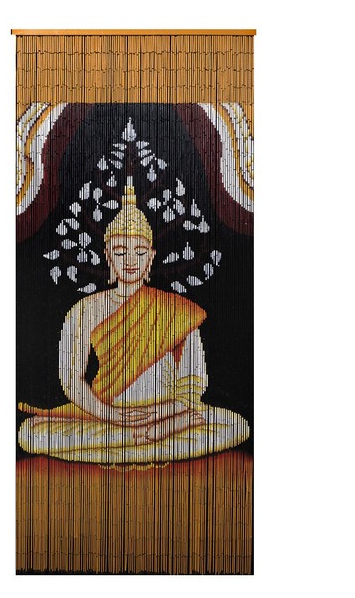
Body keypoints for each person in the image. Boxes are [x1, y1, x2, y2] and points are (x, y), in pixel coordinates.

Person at [18, 182, 249, 463]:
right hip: (105, 415)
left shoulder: (176, 310)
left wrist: (162, 414)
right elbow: (71, 379)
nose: (130, 260)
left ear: (151, 257)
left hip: (164, 414)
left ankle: (148, 435)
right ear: (107, 255)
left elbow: (193, 382)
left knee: (237, 424)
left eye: (139, 252)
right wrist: (111, 415)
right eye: (120, 251)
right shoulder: (85, 310)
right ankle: (147, 439)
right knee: (30, 433)